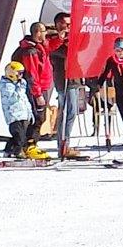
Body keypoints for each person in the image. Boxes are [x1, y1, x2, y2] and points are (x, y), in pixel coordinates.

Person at [45, 12, 85, 159]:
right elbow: (62, 53)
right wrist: (64, 40)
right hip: (63, 79)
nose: (68, 27)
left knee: (72, 111)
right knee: (68, 111)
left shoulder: (71, 37)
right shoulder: (52, 39)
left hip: (74, 78)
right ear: (58, 24)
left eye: (69, 24)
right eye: (65, 24)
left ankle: (65, 142)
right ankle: (63, 144)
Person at [11, 22, 55, 146]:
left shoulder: (40, 47)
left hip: (43, 87)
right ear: (38, 33)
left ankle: (29, 143)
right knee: (38, 117)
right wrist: (37, 94)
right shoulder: (31, 51)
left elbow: (51, 46)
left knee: (41, 117)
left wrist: (61, 37)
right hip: (36, 89)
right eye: (44, 31)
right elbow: (32, 74)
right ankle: (29, 144)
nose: (46, 34)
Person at [0, 61, 46, 159]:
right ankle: (17, 152)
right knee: (19, 136)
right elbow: (12, 98)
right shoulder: (6, 85)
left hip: (24, 114)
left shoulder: (21, 83)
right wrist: (19, 87)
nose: (21, 76)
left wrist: (30, 113)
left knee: (22, 136)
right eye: (19, 73)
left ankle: (9, 150)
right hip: (14, 116)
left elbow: (24, 100)